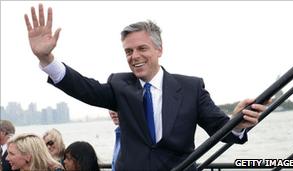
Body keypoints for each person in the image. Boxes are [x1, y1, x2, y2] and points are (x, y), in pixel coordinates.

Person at [24, 4, 268, 170]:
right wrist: (47, 59)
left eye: (142, 48)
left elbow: (221, 130)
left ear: (159, 50)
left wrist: (239, 122)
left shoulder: (191, 87)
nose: (134, 56)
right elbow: (83, 87)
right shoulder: (119, 85)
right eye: (128, 51)